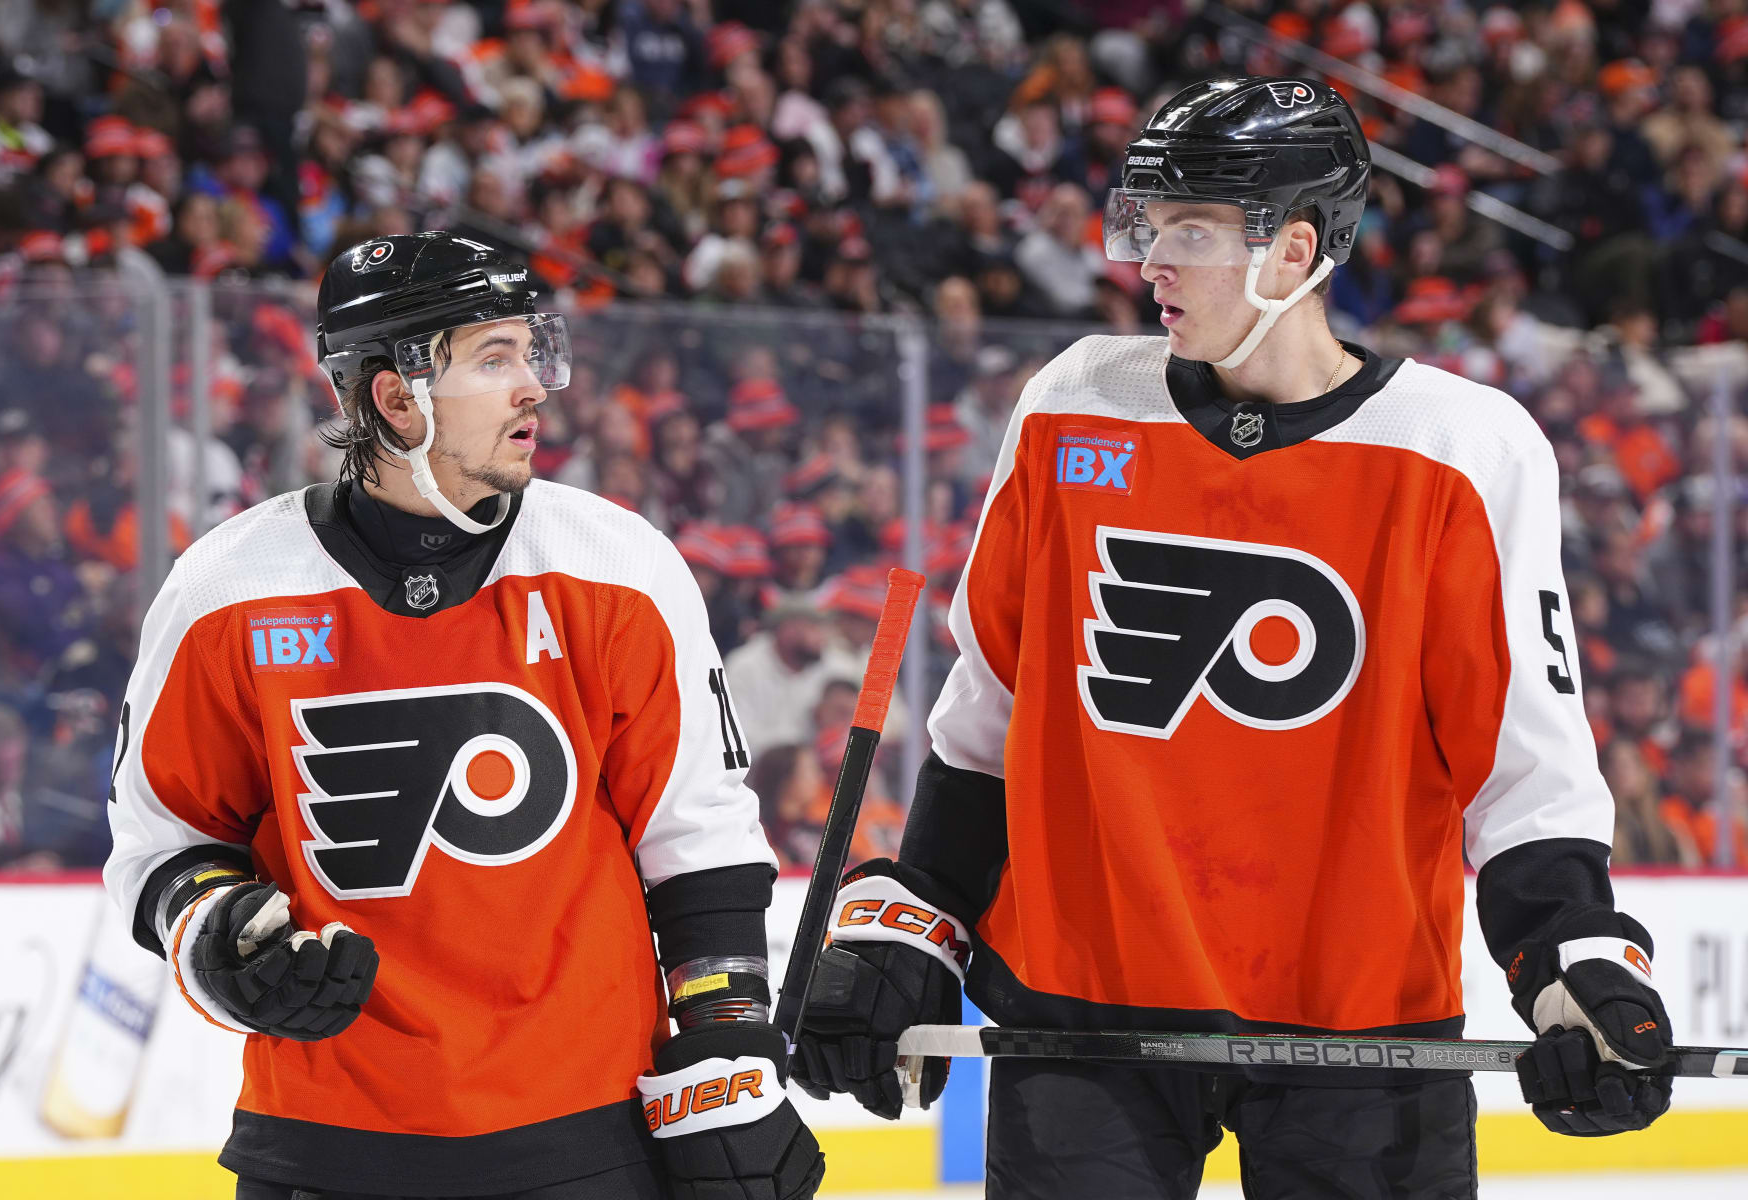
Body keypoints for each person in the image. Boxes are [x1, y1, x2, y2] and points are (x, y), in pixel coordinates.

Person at [793, 77, 1675, 1198]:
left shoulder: (1463, 448)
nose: (1151, 261)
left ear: (1295, 248)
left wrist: (1570, 956)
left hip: (1354, 1026)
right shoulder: (1075, 402)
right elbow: (994, 714)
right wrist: (913, 915)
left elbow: (1522, 761)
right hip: (1085, 1012)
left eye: (1192, 232)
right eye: (1148, 227)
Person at [104, 232, 824, 1200]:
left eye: (534, 352)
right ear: (394, 399)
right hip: (323, 1150)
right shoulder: (227, 594)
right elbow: (164, 843)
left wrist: (726, 1060)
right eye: (496, 359)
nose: (536, 386)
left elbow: (697, 842)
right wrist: (223, 939)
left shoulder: (617, 569)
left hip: (587, 1139)